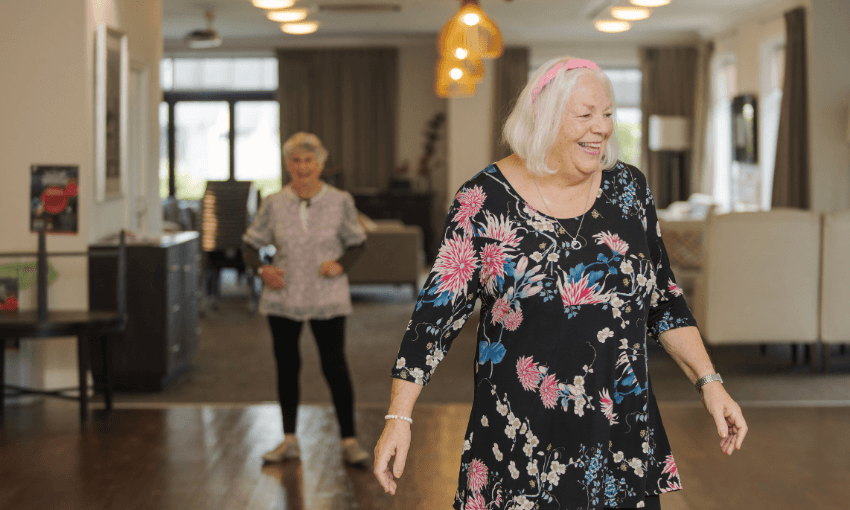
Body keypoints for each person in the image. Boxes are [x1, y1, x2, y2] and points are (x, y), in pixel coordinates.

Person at [373, 58, 748, 509]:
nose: (602, 128)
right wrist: (399, 416)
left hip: (619, 440)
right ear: (543, 118)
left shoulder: (629, 191)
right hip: (518, 447)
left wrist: (711, 382)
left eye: (607, 114)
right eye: (585, 115)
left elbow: (663, 301)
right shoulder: (484, 200)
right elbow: (434, 318)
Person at [242, 132, 371, 466]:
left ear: (320, 164)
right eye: (296, 161)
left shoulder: (340, 201)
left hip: (327, 295)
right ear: (288, 165)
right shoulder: (273, 203)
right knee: (287, 367)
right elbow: (249, 244)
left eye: (309, 160)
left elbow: (358, 242)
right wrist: (262, 269)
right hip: (283, 296)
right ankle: (288, 440)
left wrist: (341, 263)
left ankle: (349, 441)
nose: (302, 167)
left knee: (335, 366)